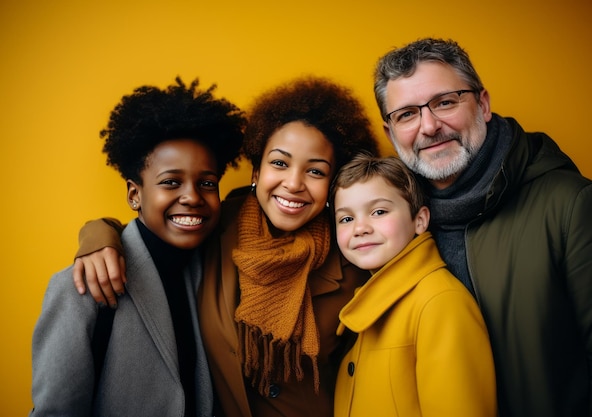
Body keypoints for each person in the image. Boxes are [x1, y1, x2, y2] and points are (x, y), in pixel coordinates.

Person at [70, 76, 380, 417]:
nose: (293, 184)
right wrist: (98, 234)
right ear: (255, 172)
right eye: (279, 163)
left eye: (316, 172)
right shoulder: (217, 225)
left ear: (333, 184)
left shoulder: (354, 255)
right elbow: (155, 225)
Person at [373, 37, 592, 417]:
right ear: (391, 132)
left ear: (483, 104)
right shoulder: (390, 223)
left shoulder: (574, 205)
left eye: (445, 102)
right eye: (406, 114)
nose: (429, 126)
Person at [29, 78, 246, 416]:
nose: (192, 197)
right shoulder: (81, 288)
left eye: (207, 183)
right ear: (134, 195)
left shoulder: (213, 269)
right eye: (170, 182)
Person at [330, 153, 497, 417]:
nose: (359, 228)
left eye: (379, 211)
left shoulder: (440, 302)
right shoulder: (371, 296)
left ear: (419, 220)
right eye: (346, 218)